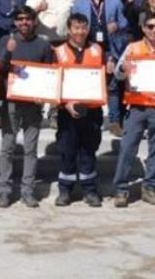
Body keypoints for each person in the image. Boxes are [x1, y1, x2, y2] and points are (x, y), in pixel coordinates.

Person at [112, 11, 155, 207]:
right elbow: (118, 73)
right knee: (127, 148)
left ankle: (150, 187)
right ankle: (121, 189)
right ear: (143, 28)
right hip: (137, 106)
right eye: (150, 26)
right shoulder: (132, 48)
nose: (154, 30)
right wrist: (123, 69)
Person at [0, 6, 53, 208]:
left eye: (27, 19)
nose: (24, 23)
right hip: (11, 102)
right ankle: (5, 191)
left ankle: (28, 191)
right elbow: (0, 70)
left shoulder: (43, 45)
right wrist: (7, 53)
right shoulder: (6, 41)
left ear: (34, 21)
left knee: (31, 149)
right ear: (15, 22)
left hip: (33, 104)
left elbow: (48, 73)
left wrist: (44, 97)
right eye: (20, 19)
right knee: (7, 147)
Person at [52, 14, 110, 207]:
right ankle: (65, 191)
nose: (80, 32)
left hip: (92, 110)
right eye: (76, 28)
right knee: (67, 151)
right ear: (69, 30)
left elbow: (104, 79)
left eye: (83, 28)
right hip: (67, 110)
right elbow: (54, 82)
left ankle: (90, 190)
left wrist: (109, 71)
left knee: (88, 150)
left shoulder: (97, 50)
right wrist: (64, 103)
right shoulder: (58, 52)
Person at [71, 0, 128, 135]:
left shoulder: (115, 1)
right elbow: (74, 26)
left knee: (112, 86)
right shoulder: (79, 2)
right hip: (87, 48)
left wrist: (117, 25)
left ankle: (114, 121)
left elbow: (125, 24)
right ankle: (84, 117)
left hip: (110, 48)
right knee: (87, 84)